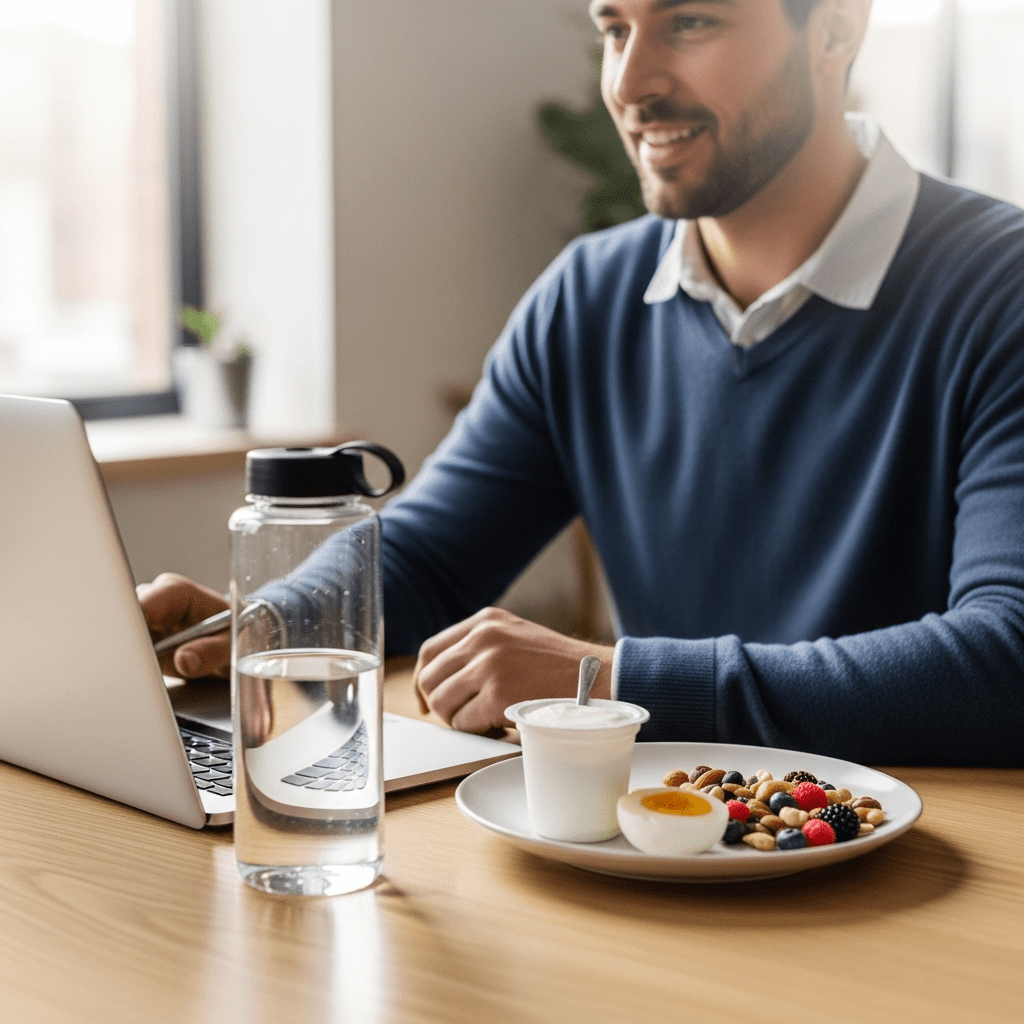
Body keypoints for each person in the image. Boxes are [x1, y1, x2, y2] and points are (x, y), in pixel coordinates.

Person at [141, 0, 1024, 766]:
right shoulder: (587, 295)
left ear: (835, 29)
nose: (632, 83)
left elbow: (1007, 660)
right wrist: (262, 627)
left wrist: (609, 682)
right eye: (614, 29)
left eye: (690, 22)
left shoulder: (1001, 290)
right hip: (661, 842)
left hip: (922, 876)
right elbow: (434, 551)